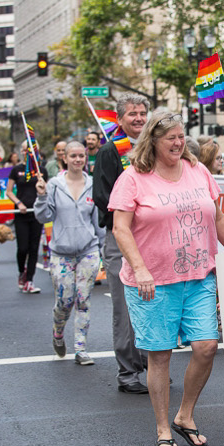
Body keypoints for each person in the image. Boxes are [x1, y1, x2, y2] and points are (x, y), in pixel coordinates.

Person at [109, 109, 224, 446]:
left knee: (207, 346)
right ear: (153, 140)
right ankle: (163, 427)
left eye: (181, 136)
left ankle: (186, 414)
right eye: (171, 138)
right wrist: (140, 268)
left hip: (198, 277)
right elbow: (121, 228)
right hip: (153, 283)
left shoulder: (198, 171)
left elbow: (219, 217)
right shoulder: (134, 177)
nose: (179, 143)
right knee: (160, 356)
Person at [94, 92, 152, 393]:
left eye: (143, 112)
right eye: (132, 113)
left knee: (155, 302)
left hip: (153, 238)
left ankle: (152, 362)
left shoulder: (155, 148)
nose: (139, 118)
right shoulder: (110, 152)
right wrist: (135, 209)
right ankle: (128, 371)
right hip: (122, 237)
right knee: (125, 307)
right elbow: (103, 198)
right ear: (120, 119)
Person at [33, 141, 102, 366]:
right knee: (64, 300)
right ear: (65, 158)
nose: (78, 160)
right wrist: (42, 196)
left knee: (83, 299)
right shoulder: (53, 185)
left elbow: (98, 223)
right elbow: (43, 217)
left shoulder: (93, 184)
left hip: (88, 252)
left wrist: (103, 250)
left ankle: (81, 348)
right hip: (61, 254)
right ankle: (58, 333)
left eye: (81, 156)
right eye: (73, 156)